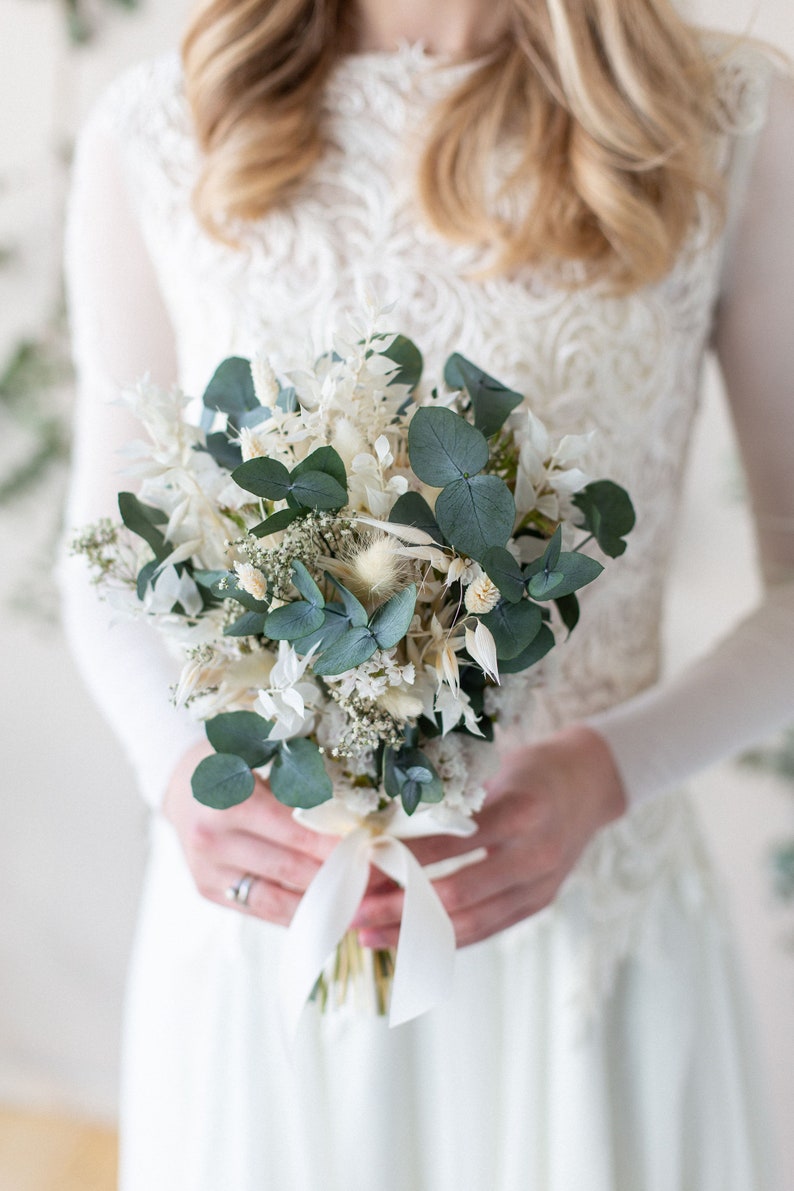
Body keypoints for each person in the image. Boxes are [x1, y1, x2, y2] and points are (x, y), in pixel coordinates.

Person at [61, 0, 794, 1187]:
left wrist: (610, 769)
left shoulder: (724, 121)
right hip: (273, 935)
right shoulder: (159, 127)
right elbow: (102, 553)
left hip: (583, 939)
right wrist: (172, 772)